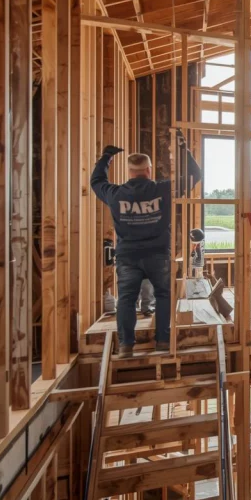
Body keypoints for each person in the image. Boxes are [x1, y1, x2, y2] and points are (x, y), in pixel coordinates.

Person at [91, 144, 201, 358]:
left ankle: (126, 346)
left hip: (127, 257)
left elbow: (96, 182)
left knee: (126, 299)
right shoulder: (162, 190)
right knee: (162, 295)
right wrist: (182, 148)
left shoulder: (115, 194)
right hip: (157, 255)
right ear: (149, 170)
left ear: (129, 172)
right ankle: (162, 341)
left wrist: (106, 158)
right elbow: (194, 174)